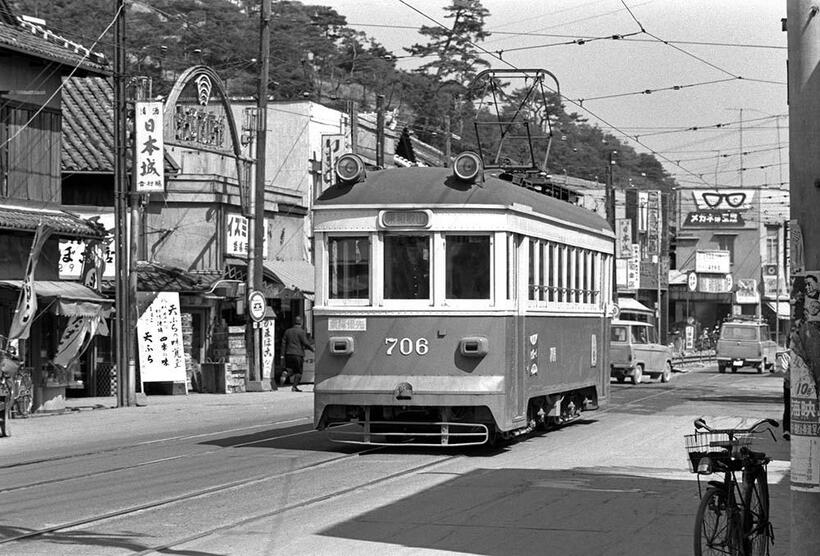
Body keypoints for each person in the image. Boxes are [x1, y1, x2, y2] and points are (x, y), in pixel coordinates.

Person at [280, 316, 314, 392]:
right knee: (298, 371)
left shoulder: (287, 331)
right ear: (301, 323)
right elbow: (305, 343)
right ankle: (294, 387)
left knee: (290, 368)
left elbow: (283, 344)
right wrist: (312, 349)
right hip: (298, 354)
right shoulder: (301, 332)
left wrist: (282, 355)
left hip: (288, 354)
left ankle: (286, 373)